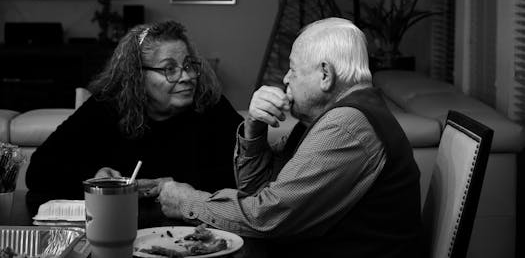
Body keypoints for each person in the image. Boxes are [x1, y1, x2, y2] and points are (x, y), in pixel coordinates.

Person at [158, 17, 422, 257]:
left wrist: (187, 202)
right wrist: (255, 129)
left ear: (325, 75)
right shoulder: (325, 118)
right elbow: (255, 191)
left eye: (293, 70)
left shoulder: (346, 127)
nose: (285, 78)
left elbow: (266, 217)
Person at [26, 21, 243, 199]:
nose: (186, 77)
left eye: (188, 66)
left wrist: (180, 186)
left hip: (193, 234)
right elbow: (38, 171)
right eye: (169, 69)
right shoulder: (105, 108)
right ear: (137, 76)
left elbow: (246, 176)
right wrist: (94, 181)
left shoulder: (212, 106)